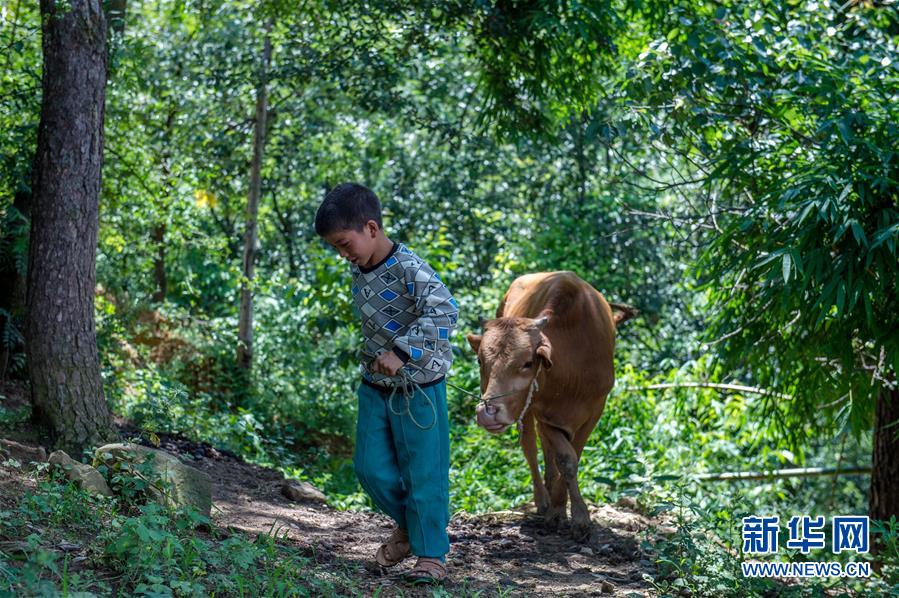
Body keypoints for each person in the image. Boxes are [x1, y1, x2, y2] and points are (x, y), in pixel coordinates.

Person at [314, 183, 458, 584]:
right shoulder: (359, 269)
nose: (343, 254)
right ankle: (414, 528)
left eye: (345, 244)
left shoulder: (410, 267)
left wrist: (402, 351)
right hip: (376, 386)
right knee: (369, 469)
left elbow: (447, 312)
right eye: (336, 248)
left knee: (423, 473)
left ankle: (431, 554)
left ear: (372, 228)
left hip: (419, 391)